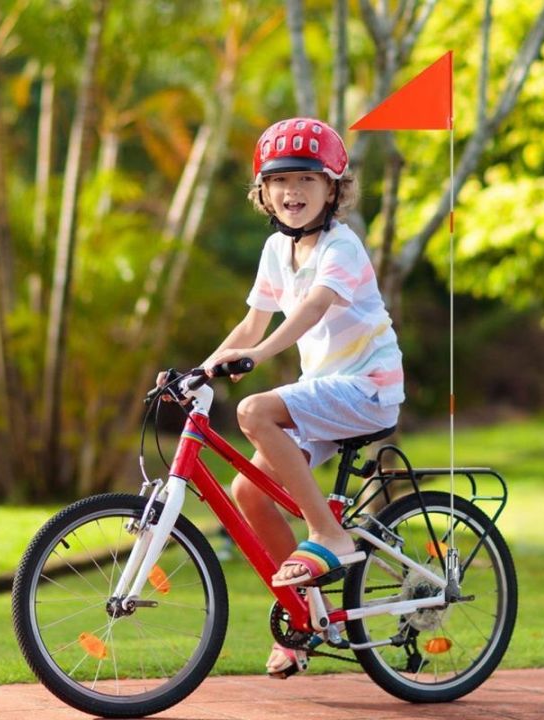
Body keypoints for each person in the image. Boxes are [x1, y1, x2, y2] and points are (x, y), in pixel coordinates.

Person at [161, 117, 405, 677]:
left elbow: (310, 310)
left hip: (368, 389)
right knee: (247, 491)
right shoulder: (277, 249)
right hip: (323, 392)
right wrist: (199, 372)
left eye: (306, 180)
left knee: (253, 409)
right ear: (263, 193)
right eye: (279, 182)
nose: (292, 192)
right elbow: (251, 325)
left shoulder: (342, 248)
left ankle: (329, 535)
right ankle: (304, 616)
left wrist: (261, 358)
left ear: (334, 190)